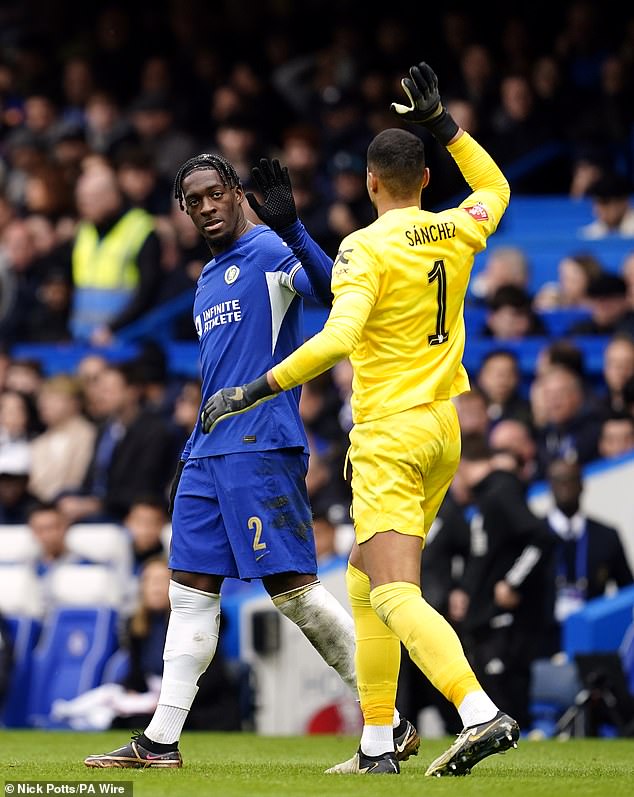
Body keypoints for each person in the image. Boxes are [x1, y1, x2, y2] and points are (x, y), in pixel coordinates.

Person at [201, 62, 519, 777]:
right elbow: (496, 187)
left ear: (372, 183)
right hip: (443, 428)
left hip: (388, 436)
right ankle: (378, 742)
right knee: (361, 583)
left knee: (396, 588)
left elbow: (341, 337)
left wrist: (254, 388)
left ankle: (478, 711)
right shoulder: (453, 228)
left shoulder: (363, 247)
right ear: (425, 181)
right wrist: (446, 126)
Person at [84, 151, 418, 768]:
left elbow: (334, 294)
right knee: (188, 593)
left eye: (216, 193)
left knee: (293, 590)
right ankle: (160, 741)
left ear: (237, 192)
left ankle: (389, 723)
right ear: (183, 210)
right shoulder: (208, 278)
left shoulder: (268, 251)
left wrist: (293, 229)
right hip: (207, 451)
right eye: (195, 200)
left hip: (260, 442)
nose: (207, 207)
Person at [544, 458, 634, 641]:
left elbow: (627, 591)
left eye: (571, 479)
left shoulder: (606, 536)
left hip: (593, 637)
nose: (565, 486)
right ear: (550, 486)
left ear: (582, 484)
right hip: (543, 638)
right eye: (559, 480)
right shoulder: (535, 535)